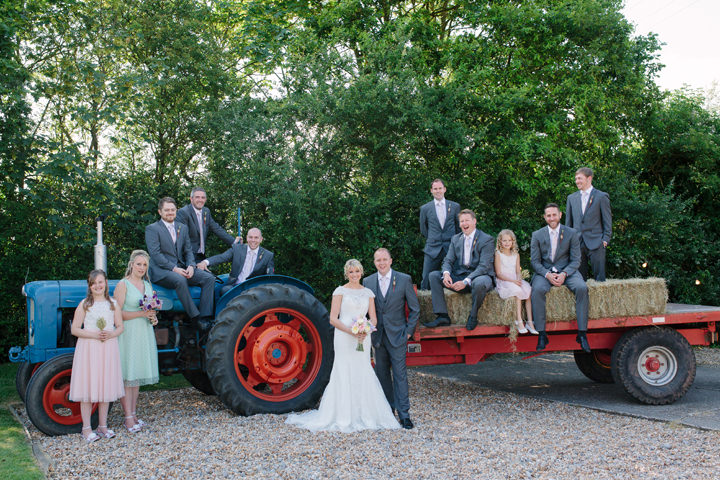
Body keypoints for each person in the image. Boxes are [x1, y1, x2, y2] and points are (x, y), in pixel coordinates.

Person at [286, 259, 400, 433]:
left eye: (357, 271)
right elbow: (333, 318)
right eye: (351, 272)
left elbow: (374, 318)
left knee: (362, 369)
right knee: (343, 369)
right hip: (344, 335)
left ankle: (365, 414)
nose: (354, 275)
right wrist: (350, 331)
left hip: (362, 337)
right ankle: (342, 414)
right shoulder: (340, 291)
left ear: (361, 272)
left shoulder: (368, 292)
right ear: (347, 274)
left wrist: (366, 329)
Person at [363, 248, 420, 429]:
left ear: (391, 260)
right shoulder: (368, 281)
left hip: (398, 336)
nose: (381, 263)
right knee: (382, 376)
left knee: (400, 376)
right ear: (374, 262)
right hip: (377, 336)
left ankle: (404, 415)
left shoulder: (403, 279)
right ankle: (387, 412)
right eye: (378, 260)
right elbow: (364, 309)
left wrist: (408, 332)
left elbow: (415, 309)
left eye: (384, 259)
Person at [68, 270, 125, 443]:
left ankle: (103, 426)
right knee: (88, 387)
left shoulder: (113, 304)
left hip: (107, 347)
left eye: (101, 282)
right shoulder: (85, 304)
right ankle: (86, 428)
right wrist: (94, 335)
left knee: (104, 387)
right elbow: (75, 329)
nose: (98, 286)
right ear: (90, 286)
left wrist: (111, 334)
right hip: (89, 348)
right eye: (94, 283)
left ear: (106, 283)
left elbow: (120, 326)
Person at [145, 197, 215, 330]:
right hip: (161, 271)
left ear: (176, 210)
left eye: (172, 210)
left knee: (209, 278)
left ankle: (205, 318)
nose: (170, 212)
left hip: (182, 267)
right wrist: (174, 268)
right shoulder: (152, 229)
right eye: (167, 210)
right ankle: (195, 317)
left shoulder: (182, 228)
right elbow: (156, 255)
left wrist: (191, 266)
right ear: (160, 212)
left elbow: (188, 250)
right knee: (180, 279)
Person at [530, 203, 591, 353]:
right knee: (537, 290)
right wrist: (547, 275)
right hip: (545, 272)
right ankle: (542, 334)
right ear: (545, 217)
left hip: (567, 271)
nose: (552, 218)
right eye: (548, 215)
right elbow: (535, 262)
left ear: (560, 215)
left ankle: (582, 333)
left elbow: (576, 260)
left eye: (554, 215)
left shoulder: (572, 233)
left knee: (582, 287)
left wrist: (564, 274)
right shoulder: (537, 235)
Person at [113, 250, 160, 433]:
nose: (141, 268)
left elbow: (151, 311)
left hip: (143, 332)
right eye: (139, 264)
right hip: (128, 333)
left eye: (145, 265)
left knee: (136, 375)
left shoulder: (148, 286)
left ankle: (133, 413)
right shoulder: (123, 285)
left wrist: (153, 318)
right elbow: (118, 313)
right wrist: (142, 313)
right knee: (128, 376)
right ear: (131, 264)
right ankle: (127, 418)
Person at [426, 209, 495, 330]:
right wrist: (446, 274)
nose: (464, 223)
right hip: (461, 275)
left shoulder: (486, 239)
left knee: (479, 283)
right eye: (461, 221)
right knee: (434, 275)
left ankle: (473, 316)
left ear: (474, 221)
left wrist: (466, 281)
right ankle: (443, 316)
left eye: (467, 220)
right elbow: (448, 260)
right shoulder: (456, 239)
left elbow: (484, 266)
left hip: (480, 276)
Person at [565, 167, 612, 281]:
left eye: (580, 178)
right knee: (579, 279)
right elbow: (568, 223)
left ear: (589, 178)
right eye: (576, 179)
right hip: (578, 243)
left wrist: (605, 240)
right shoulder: (571, 198)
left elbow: (607, 221)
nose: (577, 181)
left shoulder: (601, 196)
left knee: (599, 279)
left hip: (597, 242)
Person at [197, 227, 274, 295]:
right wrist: (205, 262)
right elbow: (222, 257)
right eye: (251, 237)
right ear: (247, 238)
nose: (253, 240)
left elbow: (270, 277)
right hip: (235, 287)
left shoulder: (268, 255)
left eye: (256, 237)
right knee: (224, 290)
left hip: (253, 290)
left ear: (261, 239)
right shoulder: (237, 249)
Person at [176, 187, 240, 262]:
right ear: (191, 199)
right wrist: (190, 263)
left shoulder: (206, 211)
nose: (200, 200)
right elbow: (182, 238)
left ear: (205, 199)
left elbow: (216, 229)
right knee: (207, 274)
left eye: (203, 197)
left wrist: (234, 242)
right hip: (187, 257)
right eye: (197, 197)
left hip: (201, 255)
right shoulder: (183, 212)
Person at [419, 179, 461, 290]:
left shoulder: (455, 206)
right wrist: (434, 238)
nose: (438, 191)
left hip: (451, 248)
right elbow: (424, 229)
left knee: (456, 276)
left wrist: (454, 243)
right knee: (426, 278)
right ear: (431, 191)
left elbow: (458, 228)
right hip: (432, 248)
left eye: (440, 188)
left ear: (444, 189)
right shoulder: (425, 208)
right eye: (435, 189)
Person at [494, 229, 538, 335]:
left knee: (528, 290)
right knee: (517, 291)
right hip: (504, 280)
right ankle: (519, 321)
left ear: (513, 241)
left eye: (509, 240)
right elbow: (499, 273)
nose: (507, 243)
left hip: (514, 279)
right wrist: (513, 281)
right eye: (504, 240)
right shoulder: (498, 254)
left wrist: (518, 279)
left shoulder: (516, 254)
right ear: (500, 242)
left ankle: (530, 322)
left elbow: (518, 271)